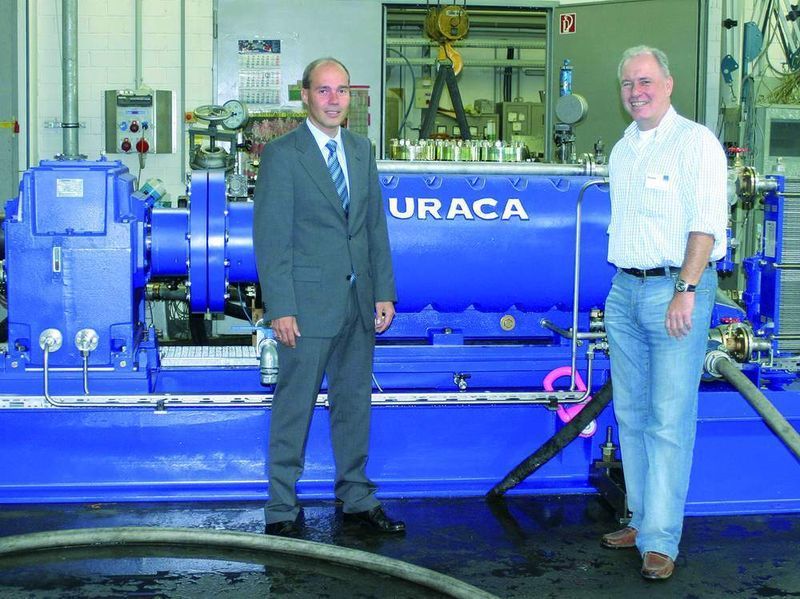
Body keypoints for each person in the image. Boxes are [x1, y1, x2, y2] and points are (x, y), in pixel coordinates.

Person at [252, 57, 403, 537]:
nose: (335, 100)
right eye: (324, 91)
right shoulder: (282, 154)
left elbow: (373, 228)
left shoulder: (361, 150)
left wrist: (383, 292)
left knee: (354, 404)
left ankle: (357, 498)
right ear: (305, 96)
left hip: (359, 304)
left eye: (342, 91)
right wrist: (282, 307)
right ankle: (281, 507)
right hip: (306, 307)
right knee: (293, 405)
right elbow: (271, 238)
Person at [601, 46, 728, 580]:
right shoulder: (624, 149)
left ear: (669, 84)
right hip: (625, 290)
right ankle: (641, 516)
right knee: (630, 414)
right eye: (628, 83)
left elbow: (706, 223)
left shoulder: (695, 143)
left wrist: (686, 287)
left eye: (646, 81)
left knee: (669, 420)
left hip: (676, 290)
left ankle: (661, 540)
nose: (637, 92)